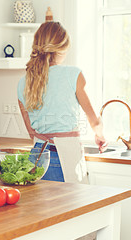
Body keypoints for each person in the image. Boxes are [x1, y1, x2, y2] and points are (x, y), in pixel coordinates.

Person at [17, 21, 107, 184]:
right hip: (64, 156)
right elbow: (94, 120)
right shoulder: (73, 74)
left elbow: (31, 132)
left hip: (36, 157)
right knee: (71, 208)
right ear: (62, 48)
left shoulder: (23, 83)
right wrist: (100, 135)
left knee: (40, 209)